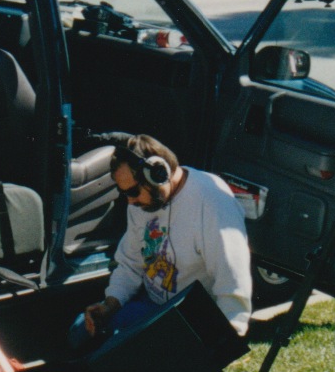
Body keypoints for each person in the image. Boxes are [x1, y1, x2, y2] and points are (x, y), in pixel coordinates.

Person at [75, 134, 253, 348]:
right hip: (153, 304)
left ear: (158, 175)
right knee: (78, 334)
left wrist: (221, 344)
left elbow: (233, 283)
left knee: (111, 354)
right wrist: (110, 305)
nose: (130, 201)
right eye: (124, 194)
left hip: (190, 317)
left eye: (133, 192)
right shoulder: (140, 205)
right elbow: (131, 262)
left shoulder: (213, 203)